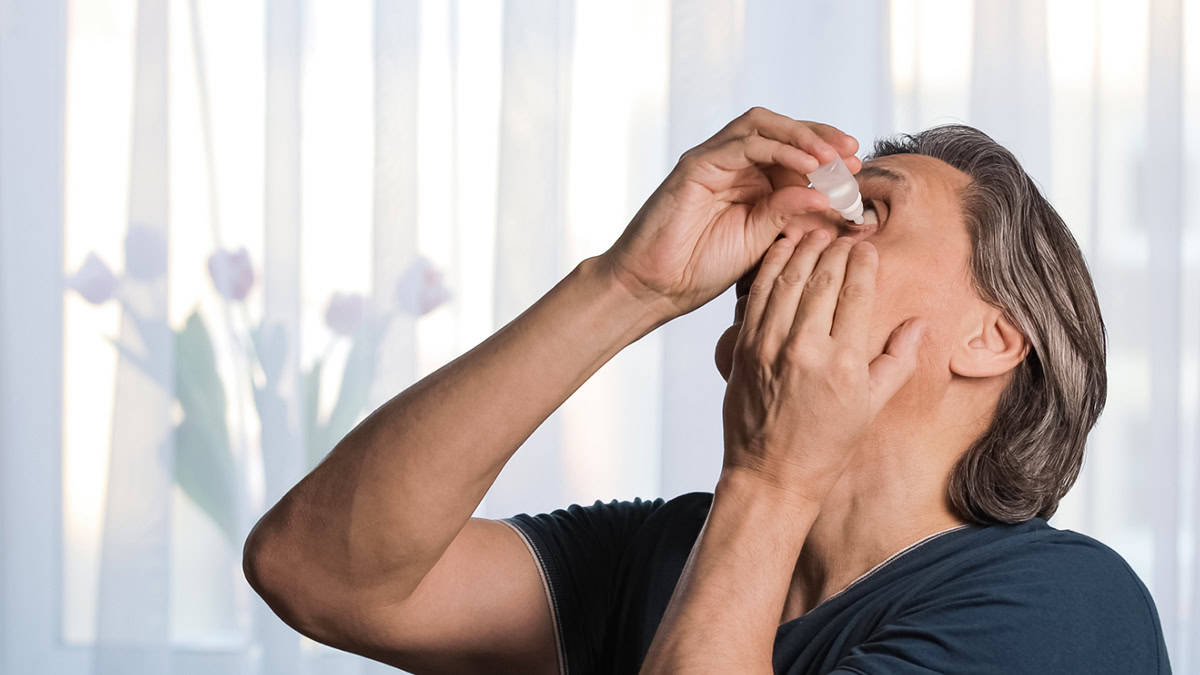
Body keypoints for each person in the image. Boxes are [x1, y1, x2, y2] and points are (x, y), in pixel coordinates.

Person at [242, 106, 1171, 674]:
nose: (799, 224)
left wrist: (770, 479)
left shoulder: (1069, 606)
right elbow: (317, 572)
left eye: (867, 211)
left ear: (994, 336)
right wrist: (626, 286)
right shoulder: (665, 554)